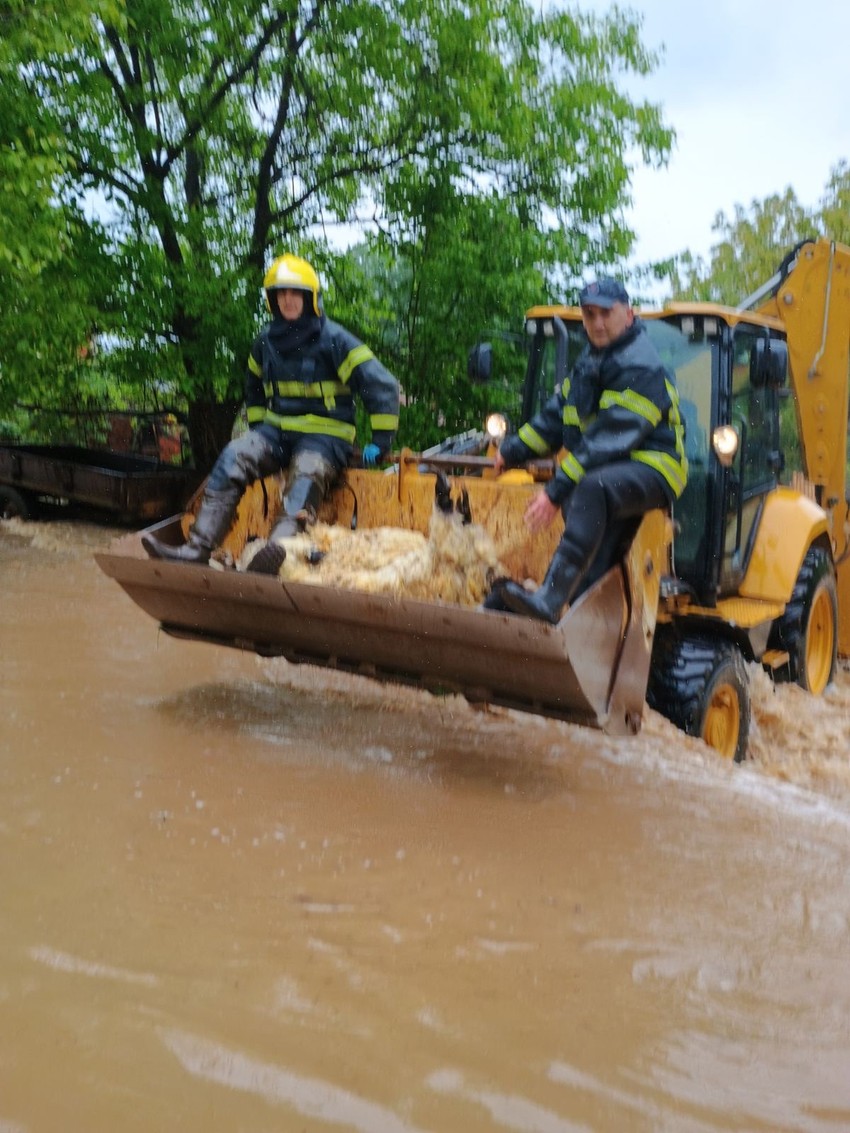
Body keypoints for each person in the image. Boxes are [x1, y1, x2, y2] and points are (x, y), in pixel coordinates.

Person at [142, 253, 400, 574]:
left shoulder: (335, 340)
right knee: (233, 457)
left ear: (310, 298)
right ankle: (196, 549)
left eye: (295, 293)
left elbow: (382, 386)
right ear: (271, 299)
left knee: (306, 474)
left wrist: (381, 440)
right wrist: (260, 429)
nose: (288, 300)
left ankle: (274, 557)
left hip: (325, 438)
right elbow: (253, 386)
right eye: (281, 293)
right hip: (278, 435)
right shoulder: (265, 342)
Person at [488, 277, 688, 623]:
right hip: (614, 470)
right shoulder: (591, 363)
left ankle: (549, 600)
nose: (596, 323)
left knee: (591, 488)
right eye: (589, 314)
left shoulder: (640, 364)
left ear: (627, 314)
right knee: (594, 562)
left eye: (605, 313)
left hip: (655, 467)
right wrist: (511, 451)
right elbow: (556, 418)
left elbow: (606, 440)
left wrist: (554, 492)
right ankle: (578, 632)